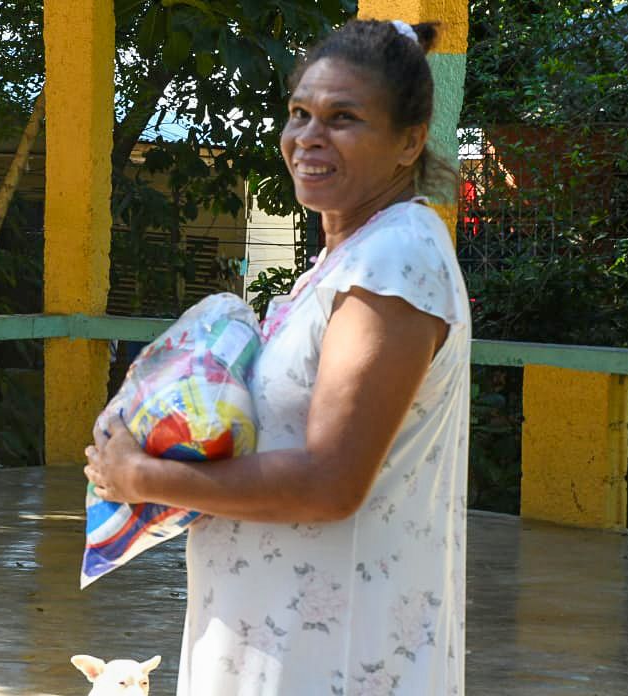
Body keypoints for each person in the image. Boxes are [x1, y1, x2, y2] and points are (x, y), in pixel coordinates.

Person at [85, 18, 471, 696]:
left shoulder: (391, 260)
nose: (309, 137)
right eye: (299, 113)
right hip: (279, 632)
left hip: (333, 654)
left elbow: (329, 482)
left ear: (409, 142)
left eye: (343, 118)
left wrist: (141, 476)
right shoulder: (347, 258)